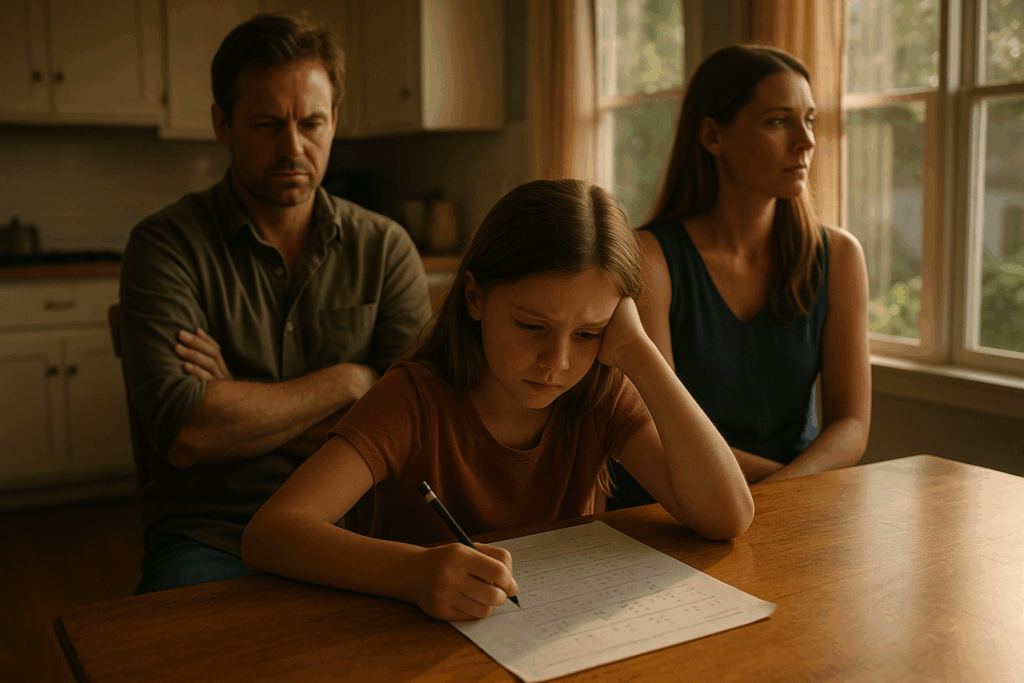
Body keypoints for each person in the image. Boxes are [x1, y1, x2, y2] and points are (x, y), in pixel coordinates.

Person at [240, 179, 755, 621]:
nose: (556, 362)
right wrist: (413, 572)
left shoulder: (597, 393)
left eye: (588, 333)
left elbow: (727, 516)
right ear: (474, 298)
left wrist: (639, 354)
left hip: (542, 634)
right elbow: (271, 533)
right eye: (533, 326)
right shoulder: (413, 400)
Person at [118, 14, 432, 594]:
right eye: (266, 124)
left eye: (311, 122)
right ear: (222, 123)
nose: (293, 147)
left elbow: (412, 427)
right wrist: (351, 382)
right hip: (213, 537)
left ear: (334, 122)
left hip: (361, 529)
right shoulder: (164, 245)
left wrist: (236, 396)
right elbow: (186, 431)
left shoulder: (385, 247)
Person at [607, 44, 871, 509]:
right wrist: (789, 487)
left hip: (793, 502)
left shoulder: (840, 256)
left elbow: (851, 425)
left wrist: (783, 491)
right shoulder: (650, 258)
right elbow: (660, 428)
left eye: (808, 120)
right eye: (777, 121)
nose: (805, 141)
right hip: (675, 505)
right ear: (712, 136)